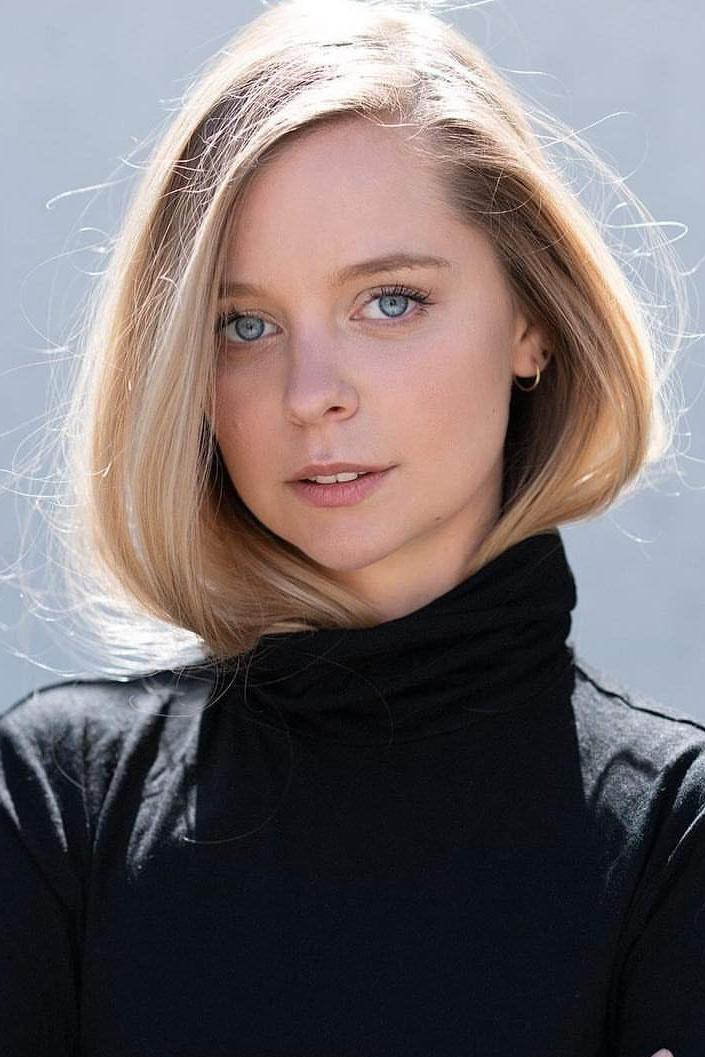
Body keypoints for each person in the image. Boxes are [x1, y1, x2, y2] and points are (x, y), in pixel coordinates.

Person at [0, 0, 698, 1054]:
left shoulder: (675, 843)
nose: (310, 393)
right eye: (245, 324)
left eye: (390, 301)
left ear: (533, 322)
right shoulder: (61, 805)